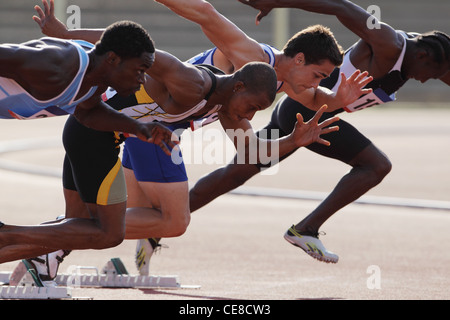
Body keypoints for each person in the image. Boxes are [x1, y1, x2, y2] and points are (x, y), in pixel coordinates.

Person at [7, 0, 342, 285]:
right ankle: (44, 243)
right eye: (252, 108)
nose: (250, 116)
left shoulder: (230, 108)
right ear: (239, 87)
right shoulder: (195, 82)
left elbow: (251, 151)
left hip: (106, 130)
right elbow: (155, 46)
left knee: (88, 226)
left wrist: (294, 140)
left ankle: (41, 250)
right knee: (164, 222)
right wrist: (69, 35)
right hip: (98, 129)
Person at [188, 0, 450, 263]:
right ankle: (305, 229)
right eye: (432, 73)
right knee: (376, 165)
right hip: (308, 112)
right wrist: (276, 2)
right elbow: (340, 6)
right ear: (423, 56)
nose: (429, 79)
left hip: (302, 108)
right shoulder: (387, 42)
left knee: (235, 174)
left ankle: (161, 223)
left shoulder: (427, 55)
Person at [0, 18, 178, 266]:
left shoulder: (94, 82)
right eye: (139, 70)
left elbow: (88, 112)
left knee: (108, 233)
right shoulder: (57, 63)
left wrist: (138, 127)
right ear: (113, 59)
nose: (143, 81)